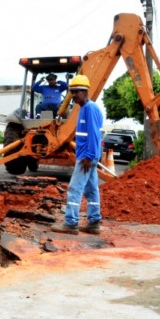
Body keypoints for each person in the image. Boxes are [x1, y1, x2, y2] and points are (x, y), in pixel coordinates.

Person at [51, 75, 104, 235]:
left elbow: (94, 135)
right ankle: (94, 223)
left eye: (77, 92)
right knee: (91, 190)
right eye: (72, 92)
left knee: (74, 189)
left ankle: (71, 223)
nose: (73, 95)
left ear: (85, 91)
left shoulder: (90, 109)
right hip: (87, 156)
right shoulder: (83, 108)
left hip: (86, 157)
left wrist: (89, 156)